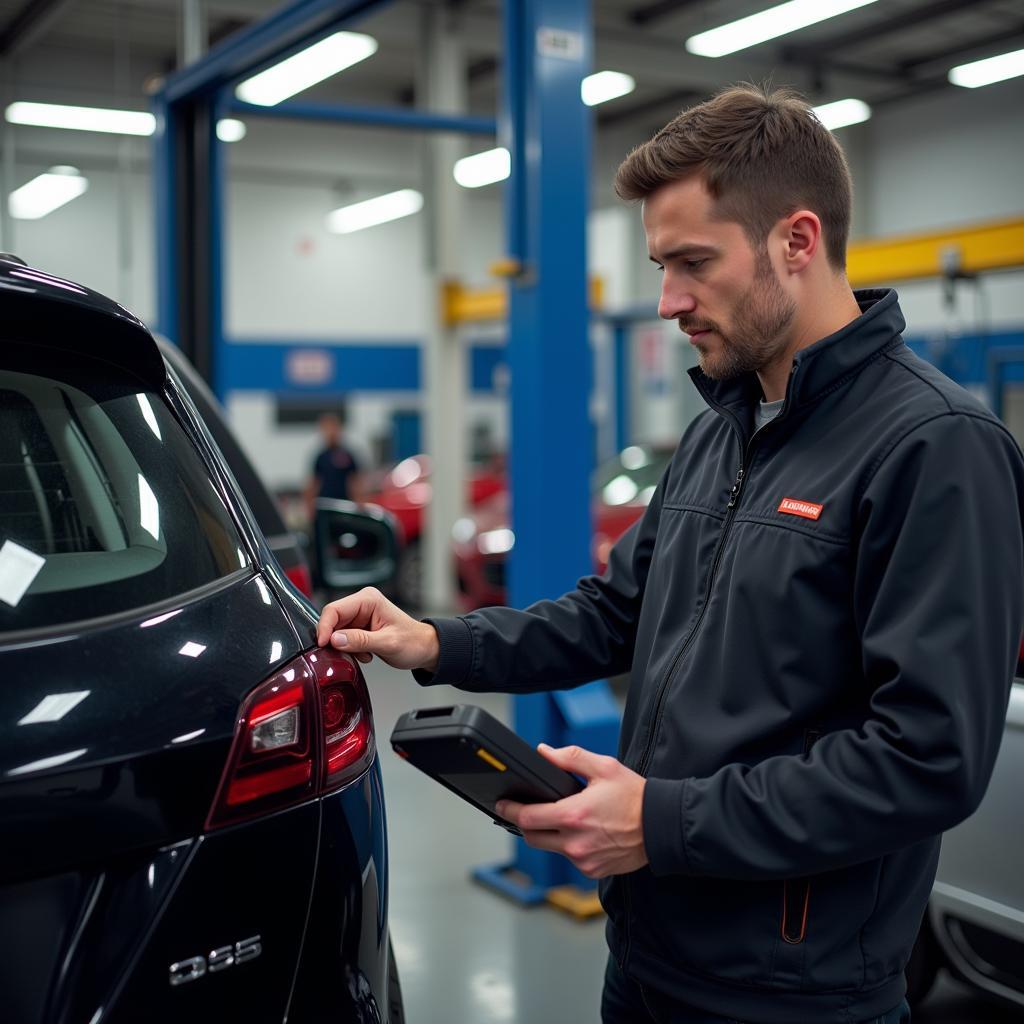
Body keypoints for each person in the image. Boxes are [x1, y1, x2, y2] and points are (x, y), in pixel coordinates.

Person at [316, 85, 1024, 1024]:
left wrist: (658, 822)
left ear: (797, 242)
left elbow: (928, 760)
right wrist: (439, 643)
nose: (668, 302)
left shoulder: (933, 447)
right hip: (649, 953)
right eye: (661, 265)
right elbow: (617, 614)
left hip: (796, 995)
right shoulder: (718, 431)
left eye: (694, 263)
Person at [304, 412, 363, 523]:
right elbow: (313, 483)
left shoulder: (348, 455)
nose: (331, 432)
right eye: (327, 428)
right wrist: (309, 507)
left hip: (345, 507)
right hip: (325, 507)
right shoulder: (321, 457)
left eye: (333, 428)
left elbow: (355, 482)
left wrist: (359, 505)